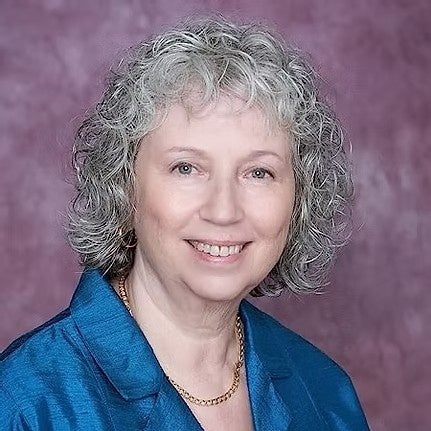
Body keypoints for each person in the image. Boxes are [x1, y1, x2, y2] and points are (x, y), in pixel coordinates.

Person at [0, 14, 369, 430]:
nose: (223, 211)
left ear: (299, 198)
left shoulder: (325, 393)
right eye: (186, 168)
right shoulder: (23, 403)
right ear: (124, 185)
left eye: (258, 172)